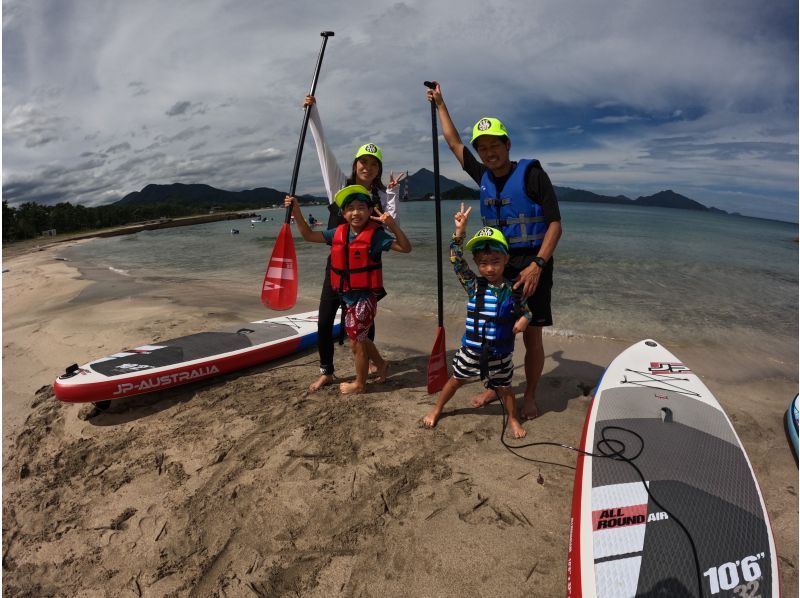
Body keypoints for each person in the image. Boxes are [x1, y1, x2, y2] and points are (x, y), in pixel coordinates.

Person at [425, 81, 562, 420]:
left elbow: (556, 224)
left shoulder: (533, 175)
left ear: (507, 144)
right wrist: (441, 104)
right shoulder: (482, 174)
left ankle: (528, 395)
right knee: (493, 327)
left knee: (531, 335)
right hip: (499, 264)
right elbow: (454, 143)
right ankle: (494, 385)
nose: (488, 153)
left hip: (533, 263)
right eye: (482, 148)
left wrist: (537, 265)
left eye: (494, 145)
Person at [303, 94, 406, 392]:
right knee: (325, 320)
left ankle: (370, 364)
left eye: (374, 164)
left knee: (365, 324)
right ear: (356, 163)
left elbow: (393, 227)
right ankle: (327, 371)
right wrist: (314, 114)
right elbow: (323, 150)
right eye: (363, 162)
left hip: (366, 269)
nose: (368, 167)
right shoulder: (339, 185)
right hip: (336, 266)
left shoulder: (381, 198)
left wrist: (393, 195)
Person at [285, 185, 412, 394]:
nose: (356, 212)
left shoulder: (376, 235)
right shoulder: (338, 232)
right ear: (343, 213)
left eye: (361, 207)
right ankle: (381, 364)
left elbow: (406, 248)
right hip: (347, 296)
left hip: (365, 298)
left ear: (370, 211)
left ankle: (360, 385)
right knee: (361, 338)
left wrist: (392, 226)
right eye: (350, 208)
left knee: (357, 343)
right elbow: (308, 235)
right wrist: (296, 211)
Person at [422, 204, 530, 438]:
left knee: (505, 388)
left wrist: (524, 319)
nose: (489, 268)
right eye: (483, 263)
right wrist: (459, 232)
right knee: (455, 381)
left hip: (500, 354)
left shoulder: (514, 290)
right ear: (476, 263)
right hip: (472, 349)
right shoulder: (473, 285)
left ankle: (513, 418)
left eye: (495, 261)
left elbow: (528, 311)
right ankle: (437, 407)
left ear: (506, 259)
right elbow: (455, 259)